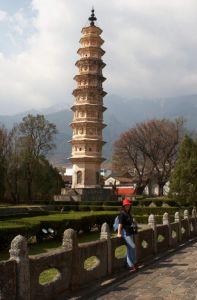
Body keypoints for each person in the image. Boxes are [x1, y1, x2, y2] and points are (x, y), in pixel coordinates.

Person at [117, 198, 138, 271]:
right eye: (126, 205)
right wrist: (119, 233)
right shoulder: (122, 214)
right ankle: (134, 262)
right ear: (123, 206)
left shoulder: (128, 213)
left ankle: (131, 265)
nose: (127, 206)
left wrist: (134, 223)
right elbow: (120, 224)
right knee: (133, 247)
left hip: (130, 232)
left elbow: (130, 223)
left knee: (130, 248)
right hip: (125, 233)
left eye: (128, 205)